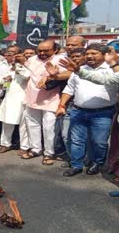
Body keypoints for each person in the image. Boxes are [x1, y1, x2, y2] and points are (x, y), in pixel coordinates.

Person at [56, 44, 118, 177]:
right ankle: (76, 165)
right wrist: (61, 105)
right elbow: (69, 89)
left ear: (104, 55)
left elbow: (105, 81)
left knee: (99, 142)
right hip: (78, 111)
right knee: (76, 140)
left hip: (103, 113)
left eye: (94, 53)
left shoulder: (112, 70)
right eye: (88, 53)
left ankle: (97, 163)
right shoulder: (78, 69)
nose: (90, 56)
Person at [21, 40, 66, 165]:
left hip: (51, 98)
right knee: (32, 124)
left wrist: (50, 76)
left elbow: (67, 75)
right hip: (32, 97)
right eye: (40, 50)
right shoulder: (32, 59)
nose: (42, 53)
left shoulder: (60, 60)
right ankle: (36, 149)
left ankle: (49, 153)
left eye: (46, 51)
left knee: (49, 127)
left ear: (55, 50)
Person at [0, 47, 31, 154]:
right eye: (9, 53)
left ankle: (24, 147)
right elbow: (5, 86)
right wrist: (6, 82)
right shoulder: (8, 68)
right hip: (10, 98)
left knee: (23, 124)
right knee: (7, 122)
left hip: (23, 98)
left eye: (14, 53)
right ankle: (5, 144)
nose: (11, 56)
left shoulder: (28, 66)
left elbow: (26, 77)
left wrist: (19, 67)